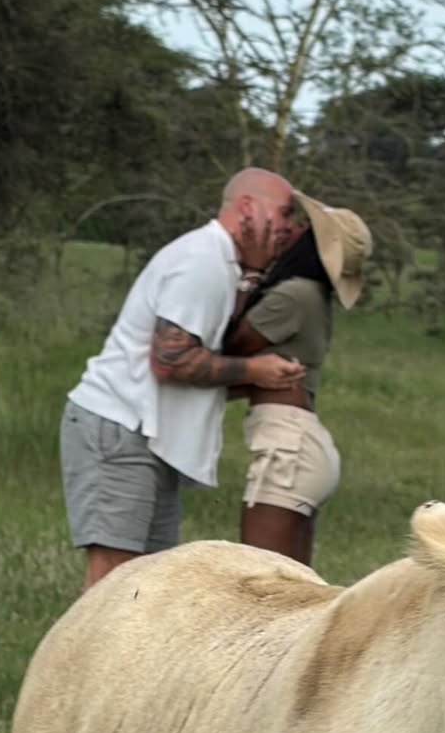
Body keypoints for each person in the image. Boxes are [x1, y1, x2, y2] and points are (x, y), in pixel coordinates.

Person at [60, 168, 305, 591]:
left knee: (146, 589)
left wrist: (257, 380)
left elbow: (187, 370)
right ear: (247, 207)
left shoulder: (224, 267)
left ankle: (128, 660)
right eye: (284, 213)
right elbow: (170, 361)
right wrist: (253, 370)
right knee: (111, 585)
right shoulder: (203, 261)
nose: (289, 227)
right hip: (120, 430)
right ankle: (81, 660)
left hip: (146, 438)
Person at [223, 192, 372, 564]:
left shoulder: (293, 295)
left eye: (301, 226)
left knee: (258, 582)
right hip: (298, 443)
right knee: (291, 590)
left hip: (285, 446)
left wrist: (251, 273)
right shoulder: (310, 295)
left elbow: (229, 346)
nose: (289, 230)